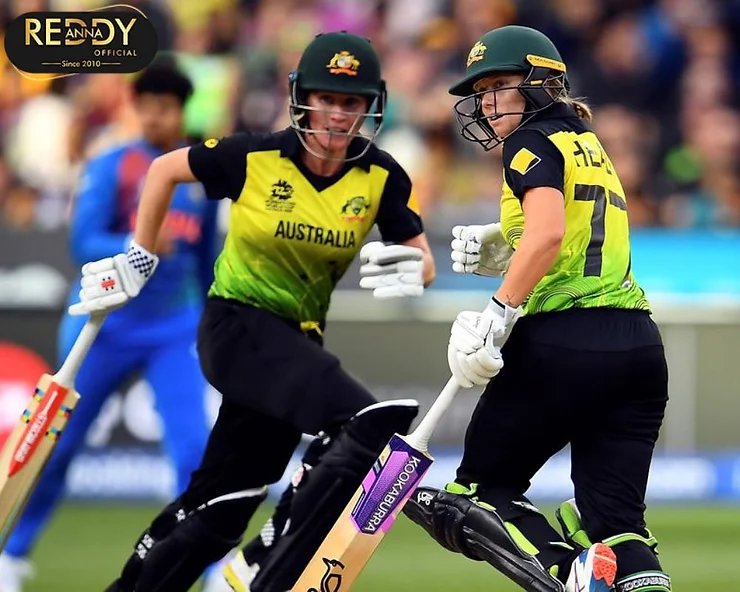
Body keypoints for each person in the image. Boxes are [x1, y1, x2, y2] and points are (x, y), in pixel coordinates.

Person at [66, 31, 435, 592]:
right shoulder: (254, 156)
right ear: (303, 99)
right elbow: (164, 170)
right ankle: (263, 563)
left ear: (370, 107)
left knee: (220, 506)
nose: (338, 115)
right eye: (327, 99)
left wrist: (416, 270)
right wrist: (140, 256)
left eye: (352, 102)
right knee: (369, 424)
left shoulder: (381, 175)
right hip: (236, 325)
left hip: (296, 344)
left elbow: (420, 255)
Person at [403, 25, 671, 592]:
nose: (486, 101)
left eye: (499, 85)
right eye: (481, 90)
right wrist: (508, 242)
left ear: (541, 84)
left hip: (564, 342)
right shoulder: (588, 143)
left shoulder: (529, 141)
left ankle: (569, 574)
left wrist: (499, 310)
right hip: (638, 348)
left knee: (479, 494)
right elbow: (571, 232)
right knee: (617, 525)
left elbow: (548, 234)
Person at [0, 62, 220, 592]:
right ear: (134, 107)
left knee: (195, 452)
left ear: (181, 111)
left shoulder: (202, 175)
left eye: (166, 108)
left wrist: (212, 318)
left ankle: (211, 566)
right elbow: (84, 242)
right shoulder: (112, 165)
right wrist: (138, 246)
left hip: (173, 327)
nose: (156, 117)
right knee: (56, 447)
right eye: (147, 106)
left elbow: (206, 259)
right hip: (105, 326)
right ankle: (10, 553)